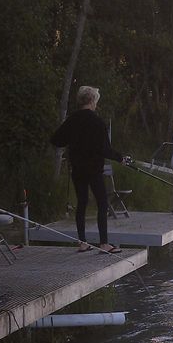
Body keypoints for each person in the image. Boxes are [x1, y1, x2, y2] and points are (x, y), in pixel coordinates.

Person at [50, 86, 131, 253]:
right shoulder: (97, 121)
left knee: (82, 203)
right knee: (102, 203)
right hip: (94, 169)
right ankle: (104, 244)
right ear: (93, 101)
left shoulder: (72, 119)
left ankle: (82, 242)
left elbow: (56, 140)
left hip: (77, 168)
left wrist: (72, 142)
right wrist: (121, 158)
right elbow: (105, 149)